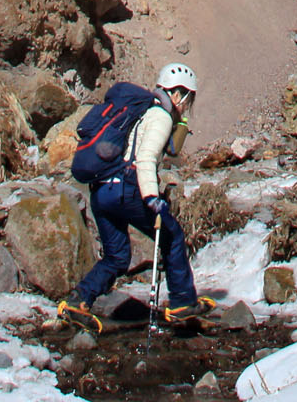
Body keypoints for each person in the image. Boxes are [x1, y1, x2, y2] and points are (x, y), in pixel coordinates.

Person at [59, 61, 216, 332]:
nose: (186, 107)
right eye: (188, 99)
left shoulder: (141, 111)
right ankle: (182, 303)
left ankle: (78, 300)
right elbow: (145, 159)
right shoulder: (160, 116)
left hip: (102, 192)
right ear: (177, 94)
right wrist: (152, 198)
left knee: (117, 257)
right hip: (126, 190)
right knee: (172, 235)